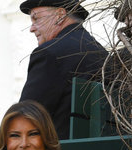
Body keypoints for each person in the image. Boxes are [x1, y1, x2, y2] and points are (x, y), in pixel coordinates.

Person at [19, 0, 107, 140]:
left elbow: (24, 118)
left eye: (36, 18)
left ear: (60, 15)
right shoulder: (101, 52)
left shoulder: (49, 53)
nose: (31, 28)